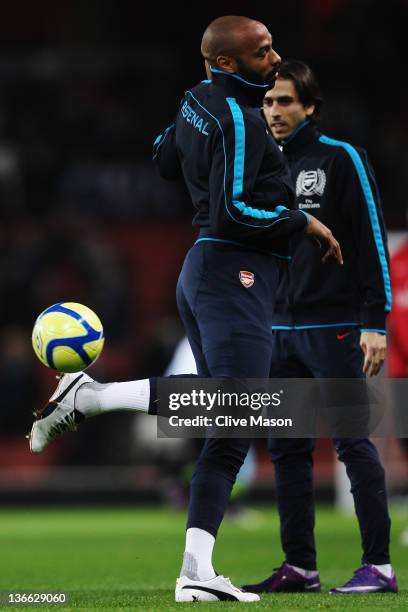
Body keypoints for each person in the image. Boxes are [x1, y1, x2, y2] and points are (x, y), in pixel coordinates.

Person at [29, 19, 342, 603]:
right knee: (239, 403)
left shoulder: (199, 99)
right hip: (232, 273)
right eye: (262, 50)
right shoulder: (242, 119)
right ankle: (91, 397)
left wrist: (202, 151)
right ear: (227, 63)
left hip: (208, 272)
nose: (276, 56)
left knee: (229, 427)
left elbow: (162, 156)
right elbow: (233, 213)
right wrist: (301, 221)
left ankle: (196, 569)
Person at [242, 60, 397, 595]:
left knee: (354, 443)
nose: (275, 111)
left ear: (309, 106)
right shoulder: (262, 168)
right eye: (267, 102)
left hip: (333, 326)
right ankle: (300, 568)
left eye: (285, 101)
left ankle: (379, 567)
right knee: (287, 450)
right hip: (277, 332)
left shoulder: (341, 158)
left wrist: (374, 321)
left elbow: (372, 237)